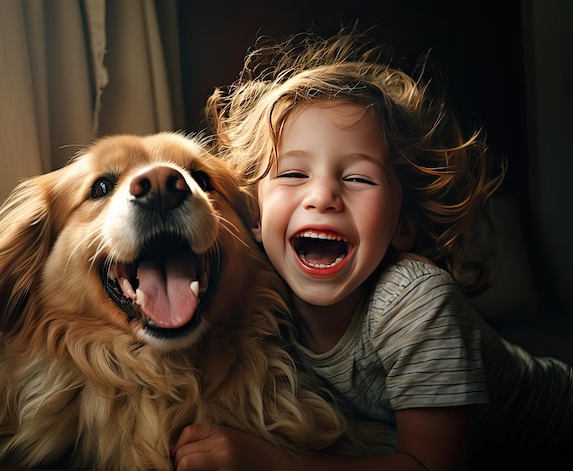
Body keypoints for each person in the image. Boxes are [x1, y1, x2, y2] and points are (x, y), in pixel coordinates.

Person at [171, 30, 573, 471]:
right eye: (292, 174)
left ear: (401, 226)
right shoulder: (257, 292)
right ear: (256, 215)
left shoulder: (415, 302)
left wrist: (273, 462)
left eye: (359, 178)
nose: (322, 196)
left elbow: (428, 464)